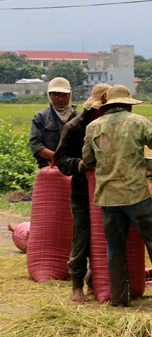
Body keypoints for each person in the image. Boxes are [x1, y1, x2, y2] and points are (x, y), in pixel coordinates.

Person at [81, 85, 152, 309]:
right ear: (127, 105)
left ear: (108, 106)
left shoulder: (93, 127)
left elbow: (88, 159)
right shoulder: (138, 122)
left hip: (108, 198)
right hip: (135, 195)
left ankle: (120, 299)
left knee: (114, 247)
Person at [53, 83, 111, 302]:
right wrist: (80, 165)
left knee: (105, 238)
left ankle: (95, 282)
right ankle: (77, 285)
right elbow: (60, 158)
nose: (106, 113)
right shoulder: (75, 127)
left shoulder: (113, 125)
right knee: (82, 236)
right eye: (103, 109)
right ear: (93, 109)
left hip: (109, 188)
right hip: (82, 190)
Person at [29, 77, 78, 168]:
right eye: (55, 95)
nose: (60, 98)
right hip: (49, 169)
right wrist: (58, 158)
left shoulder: (79, 118)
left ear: (70, 95)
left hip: (76, 170)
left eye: (64, 94)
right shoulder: (40, 117)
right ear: (49, 95)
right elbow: (35, 145)